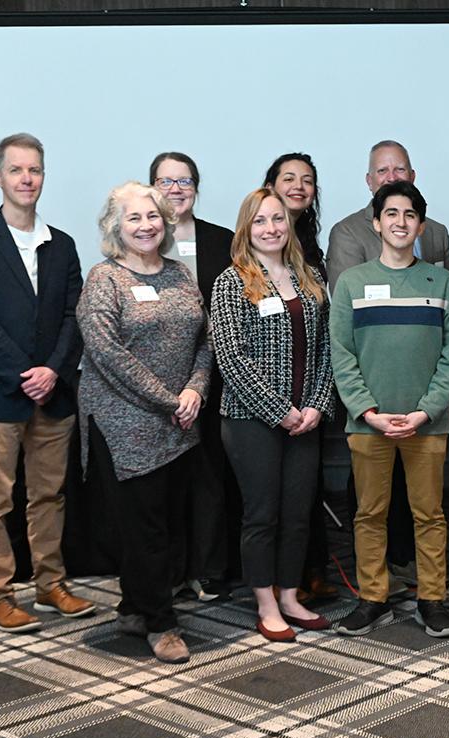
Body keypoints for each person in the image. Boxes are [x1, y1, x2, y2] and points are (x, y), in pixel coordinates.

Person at [0, 132, 95, 633]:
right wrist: (25, 374)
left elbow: (74, 316)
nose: (26, 178)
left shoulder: (63, 245)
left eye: (34, 169)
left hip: (53, 392)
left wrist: (52, 371)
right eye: (16, 170)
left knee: (49, 495)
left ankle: (50, 584)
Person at [77, 181, 211, 664]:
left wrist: (195, 390)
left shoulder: (180, 274)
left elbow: (204, 339)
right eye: (133, 218)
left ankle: (134, 608)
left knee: (168, 523)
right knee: (145, 528)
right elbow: (107, 353)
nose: (145, 225)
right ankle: (161, 624)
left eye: (152, 216)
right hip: (124, 423)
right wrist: (168, 399)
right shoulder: (104, 279)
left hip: (179, 420)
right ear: (116, 226)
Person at [330, 181, 449, 638]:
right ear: (376, 222)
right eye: (391, 213)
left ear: (421, 226)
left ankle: (432, 599)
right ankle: (372, 598)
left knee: (429, 515)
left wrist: (426, 412)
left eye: (410, 214)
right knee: (370, 514)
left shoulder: (442, 283)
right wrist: (368, 412)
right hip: (369, 424)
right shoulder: (352, 283)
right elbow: (342, 354)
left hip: (427, 424)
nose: (400, 222)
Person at [211, 187, 334, 642]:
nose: (270, 228)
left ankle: (290, 595)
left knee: (298, 513)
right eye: (260, 220)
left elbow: (327, 349)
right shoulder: (232, 281)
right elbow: (231, 358)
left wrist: (317, 404)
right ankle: (265, 603)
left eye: (278, 219)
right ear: (247, 228)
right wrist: (280, 411)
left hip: (306, 418)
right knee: (262, 514)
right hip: (251, 421)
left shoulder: (309, 277)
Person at [150, 151, 236, 602]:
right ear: (152, 188)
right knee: (165, 478)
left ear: (196, 188)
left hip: (213, 377)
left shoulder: (223, 241)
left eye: (184, 181)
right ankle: (170, 570)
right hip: (157, 383)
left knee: (209, 474)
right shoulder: (142, 240)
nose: (175, 190)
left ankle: (209, 568)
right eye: (166, 181)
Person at [263, 153, 337, 602]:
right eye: (288, 178)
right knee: (268, 497)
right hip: (265, 400)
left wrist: (316, 399)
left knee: (306, 491)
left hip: (310, 391)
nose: (298, 186)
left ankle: (310, 570)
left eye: (307, 180)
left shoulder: (311, 249)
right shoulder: (251, 249)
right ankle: (274, 579)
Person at [326, 140, 449, 292]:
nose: (392, 178)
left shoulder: (438, 232)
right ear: (369, 181)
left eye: (400, 169)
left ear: (412, 176)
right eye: (382, 170)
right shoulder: (346, 232)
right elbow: (347, 297)